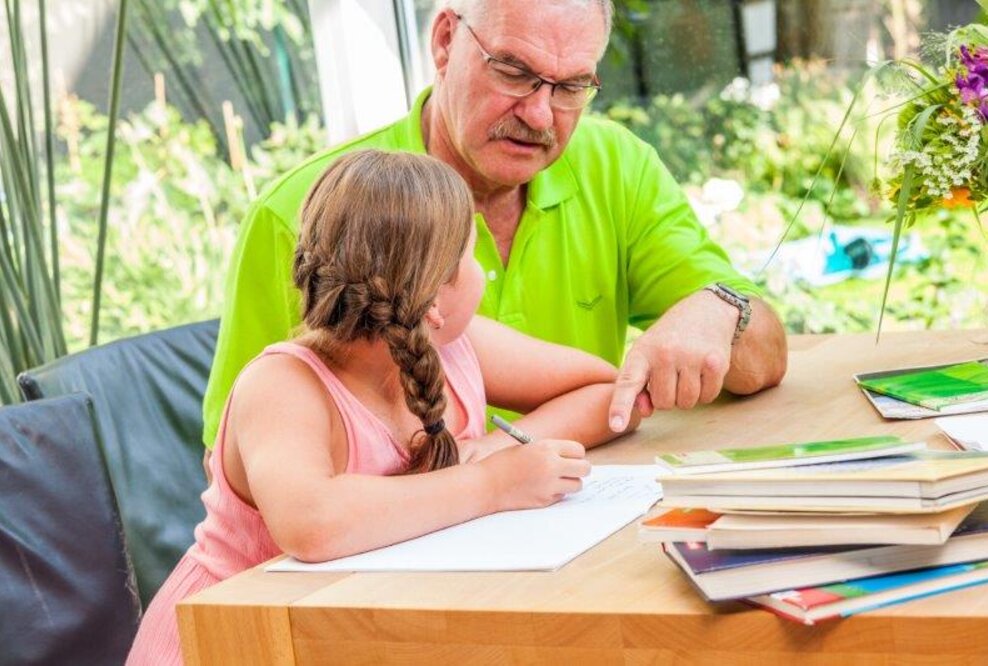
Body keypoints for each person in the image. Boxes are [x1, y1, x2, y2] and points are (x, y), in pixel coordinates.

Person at [201, 0, 788, 454]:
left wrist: (719, 308)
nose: (539, 114)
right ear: (445, 41)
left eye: (571, 86)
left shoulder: (619, 167)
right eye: (513, 70)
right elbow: (237, 460)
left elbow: (766, 358)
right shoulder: (303, 212)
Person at [127, 150, 635, 665]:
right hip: (235, 643)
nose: (482, 271)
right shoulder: (283, 384)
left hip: (354, 634)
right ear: (434, 295)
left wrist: (493, 448)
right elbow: (311, 522)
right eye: (471, 255)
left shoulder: (456, 347)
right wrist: (492, 484)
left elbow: (613, 392)